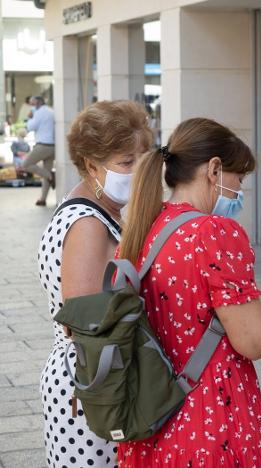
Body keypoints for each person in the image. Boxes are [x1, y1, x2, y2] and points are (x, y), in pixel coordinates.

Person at [116, 117, 261, 466]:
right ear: (214, 169)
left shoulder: (144, 226)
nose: (240, 189)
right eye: (240, 177)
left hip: (152, 422)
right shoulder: (215, 232)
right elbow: (255, 340)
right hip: (209, 418)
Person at [38, 100, 153, 468]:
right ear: (91, 165)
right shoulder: (87, 223)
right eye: (126, 162)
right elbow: (88, 323)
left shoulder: (98, 211)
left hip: (99, 378)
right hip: (93, 385)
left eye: (142, 160)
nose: (136, 172)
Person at [22, 96, 56, 206]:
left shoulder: (39, 112)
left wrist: (29, 118)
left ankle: (51, 176)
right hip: (53, 146)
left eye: (32, 104)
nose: (31, 107)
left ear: (37, 103)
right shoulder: (51, 110)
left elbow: (31, 127)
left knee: (26, 164)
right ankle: (43, 199)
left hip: (43, 145)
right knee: (46, 173)